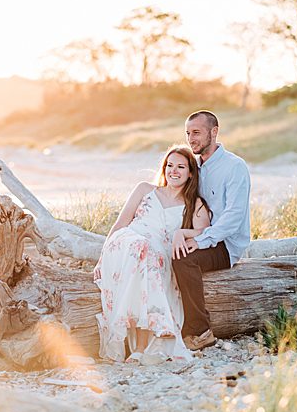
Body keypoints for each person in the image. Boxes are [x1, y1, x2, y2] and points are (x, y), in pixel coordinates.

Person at [94, 146, 211, 363]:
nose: (173, 171)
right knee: (142, 249)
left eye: (181, 167)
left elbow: (204, 232)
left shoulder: (194, 204)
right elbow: (121, 223)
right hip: (128, 243)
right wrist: (102, 258)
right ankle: (149, 335)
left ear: (191, 173)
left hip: (157, 253)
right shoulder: (145, 189)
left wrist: (181, 232)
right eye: (170, 165)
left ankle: (140, 348)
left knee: (149, 260)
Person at [172, 110, 251, 350]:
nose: (191, 139)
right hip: (199, 234)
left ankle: (200, 331)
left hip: (225, 245)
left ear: (214, 132)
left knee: (184, 260)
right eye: (187, 133)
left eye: (196, 132)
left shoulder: (234, 167)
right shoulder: (193, 165)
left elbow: (233, 217)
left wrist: (202, 240)